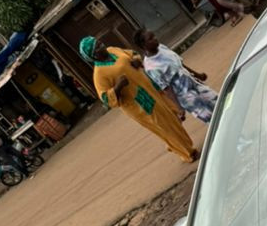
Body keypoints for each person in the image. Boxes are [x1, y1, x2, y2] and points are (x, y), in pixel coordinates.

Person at [78, 36, 198, 164]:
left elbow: (132, 54)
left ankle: (172, 144)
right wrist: (118, 87)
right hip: (140, 103)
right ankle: (187, 153)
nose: (102, 46)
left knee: (173, 116)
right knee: (165, 126)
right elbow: (106, 99)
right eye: (97, 47)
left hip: (150, 87)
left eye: (100, 43)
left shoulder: (113, 50)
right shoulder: (99, 75)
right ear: (94, 56)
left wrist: (135, 60)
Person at [133, 29, 218, 124]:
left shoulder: (162, 48)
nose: (155, 39)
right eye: (151, 38)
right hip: (186, 96)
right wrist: (179, 107)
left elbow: (179, 65)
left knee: (218, 102)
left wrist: (198, 75)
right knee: (210, 118)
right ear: (143, 45)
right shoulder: (151, 67)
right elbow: (166, 88)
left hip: (194, 83)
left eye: (154, 36)